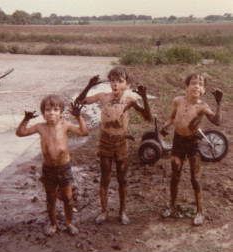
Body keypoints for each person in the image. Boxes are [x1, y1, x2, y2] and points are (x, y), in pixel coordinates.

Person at [75, 66, 152, 225]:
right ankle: (103, 212)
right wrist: (89, 85)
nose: (115, 84)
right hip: (105, 141)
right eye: (112, 81)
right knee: (105, 178)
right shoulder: (103, 96)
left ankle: (122, 212)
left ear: (127, 84)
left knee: (122, 178)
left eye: (120, 81)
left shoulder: (130, 99)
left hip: (121, 141)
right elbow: (79, 101)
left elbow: (147, 118)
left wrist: (144, 98)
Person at [16, 94, 88, 235]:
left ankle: (69, 223)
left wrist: (78, 116)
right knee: (51, 197)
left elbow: (84, 132)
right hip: (48, 169)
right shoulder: (39, 127)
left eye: (55, 109)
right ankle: (53, 223)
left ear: (61, 113)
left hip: (64, 168)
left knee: (67, 197)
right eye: (48, 110)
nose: (52, 113)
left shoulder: (65, 126)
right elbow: (20, 133)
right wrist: (26, 119)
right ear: (43, 113)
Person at [160, 72, 223, 225]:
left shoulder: (202, 106)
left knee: (195, 178)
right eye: (194, 83)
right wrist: (165, 125)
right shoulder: (177, 101)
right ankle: (172, 207)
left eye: (200, 84)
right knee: (175, 176)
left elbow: (217, 122)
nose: (197, 86)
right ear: (186, 87)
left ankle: (200, 212)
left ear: (203, 90)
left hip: (192, 143)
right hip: (178, 142)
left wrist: (219, 103)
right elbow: (172, 117)